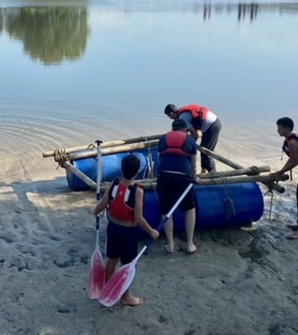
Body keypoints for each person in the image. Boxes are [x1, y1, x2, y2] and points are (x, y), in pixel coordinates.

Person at [93, 154, 159, 307]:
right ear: (137, 172)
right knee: (128, 265)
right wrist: (151, 231)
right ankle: (126, 296)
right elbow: (138, 218)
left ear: (122, 169)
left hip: (113, 228)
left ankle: (107, 288)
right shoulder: (138, 191)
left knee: (112, 258)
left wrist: (95, 211)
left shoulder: (113, 184)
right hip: (128, 232)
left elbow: (102, 205)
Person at [156, 118, 198, 254]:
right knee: (190, 208)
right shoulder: (190, 140)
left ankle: (171, 245)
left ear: (172, 129)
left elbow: (159, 159)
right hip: (183, 177)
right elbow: (193, 164)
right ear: (185, 130)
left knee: (166, 210)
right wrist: (194, 177)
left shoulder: (163, 139)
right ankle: (190, 244)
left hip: (164, 176)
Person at [164, 103, 222, 173]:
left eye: (169, 116)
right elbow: (193, 132)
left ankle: (213, 174)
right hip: (212, 123)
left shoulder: (183, 118)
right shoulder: (183, 114)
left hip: (212, 125)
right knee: (204, 149)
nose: (170, 118)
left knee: (206, 152)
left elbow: (195, 135)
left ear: (172, 113)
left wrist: (188, 145)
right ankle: (203, 172)